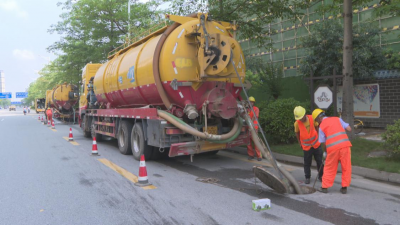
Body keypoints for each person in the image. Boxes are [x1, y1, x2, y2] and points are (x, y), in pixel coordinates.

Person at [312, 108, 352, 194]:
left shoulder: (321, 126)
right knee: (346, 167)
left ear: (319, 119)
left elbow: (324, 142)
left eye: (316, 121)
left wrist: (325, 152)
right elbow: (349, 129)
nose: (317, 123)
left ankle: (324, 187)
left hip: (333, 149)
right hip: (345, 146)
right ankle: (344, 188)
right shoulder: (337, 119)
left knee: (329, 167)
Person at [293, 106, 324, 184]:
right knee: (307, 163)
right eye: (299, 118)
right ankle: (307, 177)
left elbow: (317, 127)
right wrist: (300, 143)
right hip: (306, 147)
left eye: (301, 117)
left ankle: (321, 176)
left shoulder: (312, 118)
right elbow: (297, 133)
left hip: (316, 144)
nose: (300, 119)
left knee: (319, 161)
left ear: (305, 114)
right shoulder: (297, 123)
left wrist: (319, 137)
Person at [247, 96, 262, 161]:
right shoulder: (247, 109)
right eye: (250, 102)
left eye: (252, 102)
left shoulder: (256, 109)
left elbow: (255, 117)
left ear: (254, 103)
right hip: (248, 128)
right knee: (248, 142)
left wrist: (250, 123)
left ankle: (259, 156)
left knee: (256, 142)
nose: (251, 103)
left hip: (254, 127)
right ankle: (251, 155)